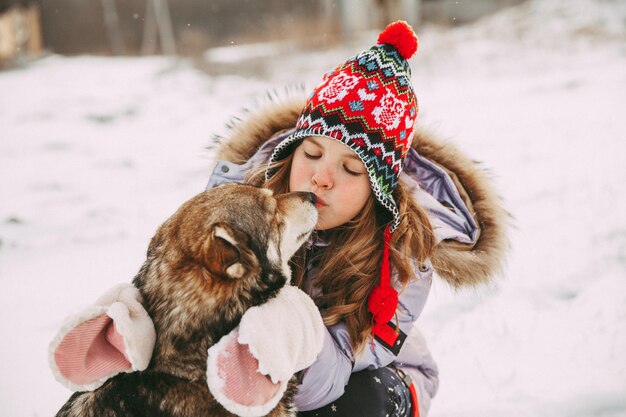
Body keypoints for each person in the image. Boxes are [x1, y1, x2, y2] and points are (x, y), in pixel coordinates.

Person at [49, 21, 508, 417]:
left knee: (353, 405)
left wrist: (288, 332)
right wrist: (155, 317)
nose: (321, 178)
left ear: (379, 196)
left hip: (364, 377)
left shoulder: (401, 260)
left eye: (351, 170)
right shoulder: (242, 211)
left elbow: (324, 381)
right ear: (289, 155)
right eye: (312, 153)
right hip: (247, 371)